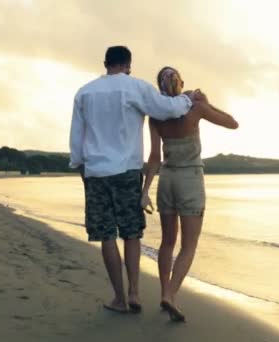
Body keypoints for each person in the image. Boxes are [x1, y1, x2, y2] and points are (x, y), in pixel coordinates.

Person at [69, 46, 209, 314]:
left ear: (106, 63)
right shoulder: (134, 87)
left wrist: (81, 170)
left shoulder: (84, 92)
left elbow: (77, 140)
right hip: (127, 171)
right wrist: (189, 99)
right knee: (131, 233)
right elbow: (166, 108)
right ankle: (135, 292)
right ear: (128, 64)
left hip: (95, 173)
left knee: (106, 236)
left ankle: (120, 298)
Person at [141, 66, 238, 322]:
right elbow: (233, 123)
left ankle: (166, 293)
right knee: (189, 245)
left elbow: (153, 158)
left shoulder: (156, 117)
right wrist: (207, 103)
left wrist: (144, 191)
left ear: (161, 88)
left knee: (167, 242)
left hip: (167, 180)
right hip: (190, 180)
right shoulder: (196, 109)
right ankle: (171, 295)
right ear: (180, 83)